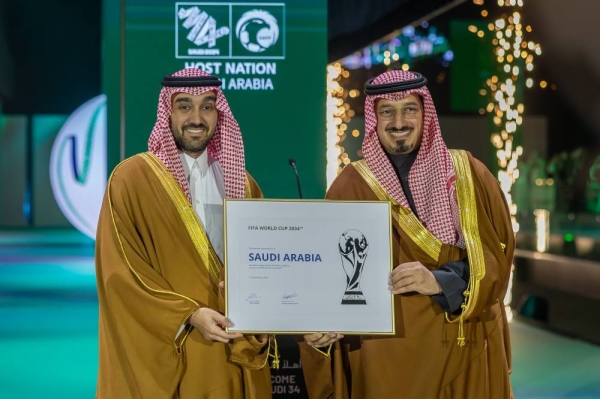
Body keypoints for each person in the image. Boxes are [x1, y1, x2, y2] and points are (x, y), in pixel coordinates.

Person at [299, 70, 515, 399]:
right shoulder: (350, 185)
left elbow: (497, 259)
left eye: (409, 109)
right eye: (387, 111)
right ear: (374, 117)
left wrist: (441, 280)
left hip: (461, 344)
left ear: (425, 113)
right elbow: (325, 276)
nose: (399, 121)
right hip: (387, 359)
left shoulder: (468, 173)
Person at [95, 68, 273, 399]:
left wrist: (264, 316)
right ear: (168, 112)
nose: (196, 118)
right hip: (178, 342)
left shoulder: (243, 183)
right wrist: (189, 315)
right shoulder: (130, 180)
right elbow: (119, 272)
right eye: (184, 106)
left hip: (234, 342)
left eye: (207, 106)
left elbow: (264, 262)